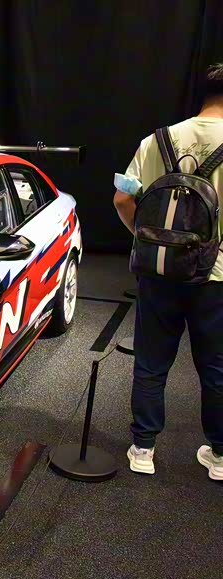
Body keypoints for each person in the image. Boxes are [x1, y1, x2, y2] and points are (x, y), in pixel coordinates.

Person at [113, 64, 223, 480]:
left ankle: (143, 448)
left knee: (151, 361)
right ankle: (219, 456)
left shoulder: (156, 140)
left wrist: (147, 241)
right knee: (216, 368)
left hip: (159, 270)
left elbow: (122, 199)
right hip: (216, 276)